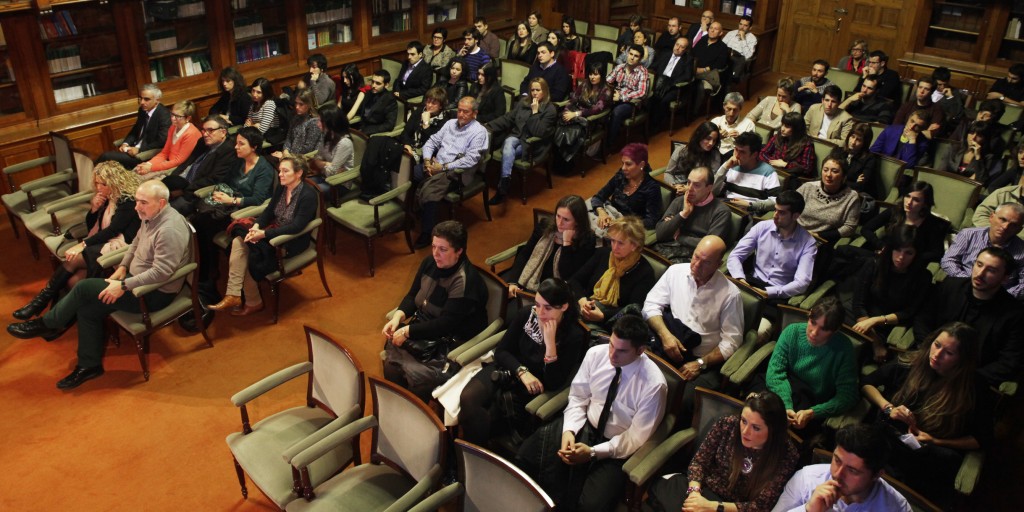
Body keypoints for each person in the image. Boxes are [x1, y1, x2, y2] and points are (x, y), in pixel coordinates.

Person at [7, 180, 190, 390]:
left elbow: (162, 272)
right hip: (133, 279)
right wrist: (122, 268)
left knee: (84, 287)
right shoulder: (151, 215)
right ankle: (90, 366)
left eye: (143, 202)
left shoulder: (169, 229)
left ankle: (47, 324)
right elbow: (136, 244)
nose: (136, 207)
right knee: (88, 310)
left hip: (154, 292)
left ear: (162, 202)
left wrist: (123, 286)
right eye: (137, 201)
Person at [516, 314, 667, 512]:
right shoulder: (596, 354)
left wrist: (594, 452)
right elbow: (579, 397)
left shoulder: (654, 384)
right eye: (612, 345)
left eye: (621, 351)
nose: (612, 355)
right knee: (528, 455)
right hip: (585, 425)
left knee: (590, 505)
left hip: (616, 447)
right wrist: (569, 431)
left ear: (640, 350)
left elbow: (635, 438)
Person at [862, 322, 994, 507]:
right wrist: (889, 408)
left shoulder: (975, 387)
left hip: (926, 456)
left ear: (962, 359)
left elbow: (980, 439)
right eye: (937, 345)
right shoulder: (912, 362)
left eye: (948, 353)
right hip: (889, 441)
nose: (937, 355)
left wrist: (935, 440)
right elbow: (867, 383)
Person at [458, 278, 588, 445]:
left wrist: (550, 347)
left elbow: (554, 382)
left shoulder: (573, 336)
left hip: (531, 388)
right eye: (538, 304)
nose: (540, 313)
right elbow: (502, 351)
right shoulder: (527, 314)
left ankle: (477, 455)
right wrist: (521, 371)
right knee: (468, 399)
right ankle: (470, 456)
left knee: (483, 419)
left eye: (547, 308)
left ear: (564, 306)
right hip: (511, 368)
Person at [13, 162, 142, 320]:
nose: (99, 187)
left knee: (74, 260)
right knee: (73, 281)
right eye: (96, 183)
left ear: (116, 182)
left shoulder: (128, 201)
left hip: (122, 247)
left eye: (103, 184)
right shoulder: (108, 197)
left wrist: (82, 244)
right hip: (105, 243)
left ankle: (40, 304)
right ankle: (54, 316)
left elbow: (112, 230)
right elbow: (92, 227)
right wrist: (94, 209)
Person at [381, 220, 489, 403]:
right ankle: (397, 407)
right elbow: (413, 295)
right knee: (391, 366)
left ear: (459, 251)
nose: (435, 254)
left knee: (419, 381)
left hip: (448, 342)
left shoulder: (464, 282)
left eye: (443, 249)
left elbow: (444, 324)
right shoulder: (429, 262)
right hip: (426, 329)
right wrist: (399, 316)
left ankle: (412, 415)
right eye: (433, 247)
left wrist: (407, 331)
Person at [645, 392, 799, 512]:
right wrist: (694, 494)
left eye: (756, 427)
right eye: (743, 421)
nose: (745, 431)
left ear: (773, 431)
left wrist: (712, 507)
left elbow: (760, 506)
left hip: (733, 508)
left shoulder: (786, 455)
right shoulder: (727, 424)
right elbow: (699, 463)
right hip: (703, 491)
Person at [643, 235, 743, 422]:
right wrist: (665, 336)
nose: (696, 265)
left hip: (698, 359)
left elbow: (732, 342)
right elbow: (650, 305)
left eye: (705, 263)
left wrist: (700, 364)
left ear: (718, 264)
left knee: (678, 403)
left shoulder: (730, 294)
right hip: (665, 342)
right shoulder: (675, 272)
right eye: (696, 257)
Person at [207, 156, 319, 316]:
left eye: (285, 171)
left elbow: (297, 227)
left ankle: (250, 300)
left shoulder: (308, 195)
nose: (280, 174)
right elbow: (268, 211)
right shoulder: (282, 187)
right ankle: (234, 294)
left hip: (290, 241)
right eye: (280, 170)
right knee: (240, 242)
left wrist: (264, 234)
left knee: (244, 250)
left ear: (299, 173)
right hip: (272, 230)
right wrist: (256, 227)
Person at [916, 247, 1024, 387]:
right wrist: (927, 352)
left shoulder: (1015, 313)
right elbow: (922, 320)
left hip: (969, 382)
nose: (980, 273)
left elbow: (1010, 361)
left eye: (991, 270)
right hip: (929, 362)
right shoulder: (950, 286)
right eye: (979, 265)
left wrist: (965, 379)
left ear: (1005, 278)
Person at [192, 127, 274, 288]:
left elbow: (258, 199)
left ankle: (208, 271)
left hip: (243, 212)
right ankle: (208, 267)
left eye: (241, 144)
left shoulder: (264, 169)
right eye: (236, 143)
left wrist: (232, 200)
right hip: (227, 205)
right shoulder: (238, 161)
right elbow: (226, 183)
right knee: (197, 221)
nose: (236, 147)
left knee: (203, 224)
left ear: (254, 147)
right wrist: (221, 195)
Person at [762, 296, 859, 431]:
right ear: (809, 314)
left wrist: (814, 412)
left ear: (835, 330)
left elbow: (847, 396)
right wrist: (786, 405)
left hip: (812, 401)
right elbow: (775, 373)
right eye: (813, 322)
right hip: (783, 388)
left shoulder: (843, 348)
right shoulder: (792, 331)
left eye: (823, 329)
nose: (814, 333)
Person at [771, 425, 911, 512]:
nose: (837, 474)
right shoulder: (807, 479)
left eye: (852, 470)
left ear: (876, 475)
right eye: (837, 460)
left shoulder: (896, 507)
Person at [414, 97, 489, 248]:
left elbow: (470, 159)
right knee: (412, 173)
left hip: (457, 172)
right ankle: (416, 213)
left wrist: (443, 167)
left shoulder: (479, 132)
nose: (461, 114)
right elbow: (432, 141)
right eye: (459, 110)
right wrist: (428, 161)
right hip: (436, 164)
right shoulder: (449, 124)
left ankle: (428, 231)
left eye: (465, 112)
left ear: (474, 113)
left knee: (431, 192)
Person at [850, 226, 932, 362]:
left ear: (916, 255)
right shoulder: (874, 264)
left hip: (889, 323)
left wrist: (876, 320)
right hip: (861, 316)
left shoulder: (923, 277)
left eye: (908, 253)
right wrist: (875, 341)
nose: (901, 257)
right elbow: (858, 305)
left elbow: (909, 312)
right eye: (897, 250)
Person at [570, 216, 656, 332]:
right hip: (585, 309)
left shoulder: (645, 272)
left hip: (613, 326)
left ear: (634, 245)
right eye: (612, 241)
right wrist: (582, 301)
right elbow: (575, 280)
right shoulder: (603, 254)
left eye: (620, 243)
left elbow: (633, 311)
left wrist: (603, 316)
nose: (614, 247)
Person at [359, 87, 449, 198]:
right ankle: (372, 186)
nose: (429, 105)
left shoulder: (445, 122)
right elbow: (406, 132)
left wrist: (426, 124)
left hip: (424, 154)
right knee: (377, 142)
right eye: (428, 101)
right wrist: (407, 145)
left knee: (393, 155)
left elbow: (432, 145)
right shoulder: (420, 111)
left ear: (441, 106)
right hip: (408, 146)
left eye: (434, 103)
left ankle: (388, 189)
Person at [727, 190, 817, 300]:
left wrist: (769, 293)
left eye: (782, 213)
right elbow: (735, 255)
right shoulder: (762, 227)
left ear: (795, 216)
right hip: (751, 282)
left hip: (778, 292)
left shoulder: (808, 243)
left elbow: (802, 282)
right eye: (775, 210)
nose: (775, 215)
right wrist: (740, 279)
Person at [504, 195, 596, 298]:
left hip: (556, 293)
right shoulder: (545, 225)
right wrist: (512, 282)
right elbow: (525, 254)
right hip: (528, 282)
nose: (559, 223)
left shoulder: (587, 239)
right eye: (558, 216)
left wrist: (566, 243)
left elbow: (568, 276)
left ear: (578, 221)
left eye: (566, 219)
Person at [486, 77, 557, 204]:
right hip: (517, 137)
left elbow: (538, 132)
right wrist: (487, 126)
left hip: (533, 144)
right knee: (509, 143)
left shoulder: (550, 109)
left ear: (544, 91)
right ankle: (505, 182)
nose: (535, 93)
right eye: (532, 90)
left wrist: (535, 112)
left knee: (508, 149)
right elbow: (508, 118)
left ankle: (502, 187)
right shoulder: (523, 102)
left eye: (538, 90)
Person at [941, 202, 1024, 298]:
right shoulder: (968, 235)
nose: (1005, 227)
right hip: (962, 287)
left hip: (999, 299)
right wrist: (970, 284)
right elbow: (948, 260)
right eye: (1002, 219)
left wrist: (1001, 295)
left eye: (1013, 225)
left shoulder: (1022, 251)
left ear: (1019, 229)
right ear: (992, 217)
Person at [163, 115, 240, 215]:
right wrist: (173, 176)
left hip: (193, 193)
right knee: (149, 196)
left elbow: (213, 180)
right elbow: (186, 163)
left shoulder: (228, 150)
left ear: (223, 132)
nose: (205, 134)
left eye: (210, 130)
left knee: (163, 210)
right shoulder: (202, 142)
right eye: (203, 130)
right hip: (178, 182)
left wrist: (183, 191)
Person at [653, 167, 731, 264]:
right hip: (667, 248)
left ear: (709, 188)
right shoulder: (680, 201)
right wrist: (683, 214)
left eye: (696, 185)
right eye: (688, 182)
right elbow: (660, 233)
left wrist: (679, 237)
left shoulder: (721, 212)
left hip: (695, 257)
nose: (689, 189)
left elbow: (710, 246)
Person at [861, 181, 949, 264]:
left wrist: (910, 257)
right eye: (907, 196)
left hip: (908, 264)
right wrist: (882, 246)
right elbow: (866, 229)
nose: (909, 202)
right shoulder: (895, 211)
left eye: (916, 200)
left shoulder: (932, 224)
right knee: (848, 252)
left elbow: (937, 254)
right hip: (884, 255)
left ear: (925, 204)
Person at [590, 143, 662, 232]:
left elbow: (652, 221)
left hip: (629, 229)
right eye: (622, 163)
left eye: (628, 164)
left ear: (641, 165)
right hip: (610, 218)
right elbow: (598, 197)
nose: (623, 168)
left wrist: (623, 223)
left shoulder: (652, 188)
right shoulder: (620, 176)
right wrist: (602, 212)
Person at [96, 83, 171, 168]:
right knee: (106, 165)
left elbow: (161, 141)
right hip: (132, 149)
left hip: (144, 155)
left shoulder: (164, 115)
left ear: (157, 100)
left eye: (146, 99)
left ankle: (89, 178)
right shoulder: (142, 110)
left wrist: (139, 150)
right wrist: (126, 143)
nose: (142, 102)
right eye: (140, 98)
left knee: (106, 156)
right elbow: (136, 130)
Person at [555, 64, 613, 168]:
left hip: (591, 120)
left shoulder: (606, 90)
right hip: (575, 115)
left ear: (602, 75)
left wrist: (576, 114)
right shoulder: (585, 84)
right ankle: (561, 160)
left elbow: (596, 109)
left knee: (572, 131)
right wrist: (567, 111)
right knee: (560, 126)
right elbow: (573, 99)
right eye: (590, 74)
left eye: (596, 74)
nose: (592, 77)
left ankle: (567, 163)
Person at [794, 155, 861, 242]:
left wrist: (818, 236)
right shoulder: (808, 187)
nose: (828, 175)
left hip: (819, 240)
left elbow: (850, 227)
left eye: (835, 171)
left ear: (843, 176)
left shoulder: (851, 197)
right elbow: (789, 206)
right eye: (825, 170)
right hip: (794, 231)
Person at [713, 131, 780, 215]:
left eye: (742, 152)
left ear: (754, 154)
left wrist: (751, 205)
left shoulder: (768, 172)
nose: (737, 155)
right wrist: (724, 168)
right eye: (736, 150)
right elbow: (712, 191)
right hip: (725, 207)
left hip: (748, 213)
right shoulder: (730, 165)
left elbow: (775, 202)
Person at [132, 100, 201, 180]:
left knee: (141, 180)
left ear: (188, 118)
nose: (172, 119)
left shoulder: (191, 133)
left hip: (179, 169)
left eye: (178, 116)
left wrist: (151, 168)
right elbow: (165, 153)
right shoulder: (172, 128)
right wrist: (148, 164)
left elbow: (178, 161)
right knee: (136, 171)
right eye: (172, 114)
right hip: (168, 163)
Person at [605, 44, 649, 149]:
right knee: (601, 106)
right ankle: (599, 140)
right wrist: (611, 91)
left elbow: (642, 92)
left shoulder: (642, 72)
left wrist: (621, 96)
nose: (632, 57)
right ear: (627, 53)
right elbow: (607, 81)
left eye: (636, 56)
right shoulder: (620, 67)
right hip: (616, 97)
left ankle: (609, 144)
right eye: (630, 54)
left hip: (632, 103)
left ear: (640, 58)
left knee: (617, 112)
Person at [648, 36, 695, 130]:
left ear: (685, 50)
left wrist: (671, 82)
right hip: (659, 81)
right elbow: (653, 66)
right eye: (677, 44)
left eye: (681, 47)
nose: (677, 48)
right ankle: (648, 121)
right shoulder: (665, 54)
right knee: (650, 96)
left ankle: (655, 125)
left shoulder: (688, 60)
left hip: (673, 86)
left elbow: (687, 76)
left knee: (664, 100)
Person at [939, 120, 1003, 187]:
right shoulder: (953, 149)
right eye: (971, 133)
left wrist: (978, 157)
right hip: (945, 184)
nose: (973, 137)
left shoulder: (988, 157)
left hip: (966, 190)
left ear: (985, 139)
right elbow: (941, 171)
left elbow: (980, 180)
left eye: (979, 135)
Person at [309, 104, 354, 193]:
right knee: (298, 185)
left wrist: (322, 164)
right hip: (324, 177)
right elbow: (317, 158)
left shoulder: (344, 142)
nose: (317, 124)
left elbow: (331, 173)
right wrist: (327, 164)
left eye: (320, 121)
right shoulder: (327, 135)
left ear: (331, 122)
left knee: (309, 191)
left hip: (339, 184)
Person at [975, 141, 1024, 220]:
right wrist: (1006, 206)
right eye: (1020, 152)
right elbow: (993, 186)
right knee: (977, 199)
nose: (1022, 157)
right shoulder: (1017, 170)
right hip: (1010, 211)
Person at [759, 111, 816, 180]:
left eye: (787, 126)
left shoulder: (807, 144)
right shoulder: (779, 136)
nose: (782, 129)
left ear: (796, 128)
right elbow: (763, 153)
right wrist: (774, 162)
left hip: (790, 178)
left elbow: (807, 168)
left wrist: (785, 165)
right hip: (772, 171)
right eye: (782, 125)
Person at [665, 121, 721, 188]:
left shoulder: (714, 155)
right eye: (708, 139)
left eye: (714, 140)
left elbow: (712, 180)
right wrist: (674, 186)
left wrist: (688, 188)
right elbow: (668, 173)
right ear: (699, 136)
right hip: (676, 186)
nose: (711, 143)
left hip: (697, 191)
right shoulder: (681, 150)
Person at [271, 89, 322, 161]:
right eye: (296, 103)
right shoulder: (296, 117)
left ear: (309, 105)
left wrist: (289, 157)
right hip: (292, 155)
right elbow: (289, 138)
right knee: (270, 159)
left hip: (306, 159)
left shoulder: (314, 122)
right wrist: (285, 151)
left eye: (301, 104)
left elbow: (308, 148)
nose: (297, 107)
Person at [841, 122, 882, 199]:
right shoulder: (839, 151)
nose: (853, 142)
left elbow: (860, 186)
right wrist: (853, 181)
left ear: (865, 143)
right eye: (852, 137)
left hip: (859, 196)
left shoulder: (870, 159)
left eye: (858, 140)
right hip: (840, 191)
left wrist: (840, 180)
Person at [691, 21, 729, 103]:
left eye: (715, 29)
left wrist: (703, 69)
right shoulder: (702, 40)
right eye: (711, 28)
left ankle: (694, 113)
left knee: (699, 87)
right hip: (693, 70)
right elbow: (692, 53)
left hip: (707, 74)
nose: (712, 30)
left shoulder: (723, 47)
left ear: (720, 33)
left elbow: (720, 64)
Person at [711, 92, 755, 160]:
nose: (731, 113)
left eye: (735, 110)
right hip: (714, 155)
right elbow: (705, 142)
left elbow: (751, 148)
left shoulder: (749, 124)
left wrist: (740, 139)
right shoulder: (715, 121)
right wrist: (718, 137)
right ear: (724, 106)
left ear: (740, 109)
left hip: (736, 158)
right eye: (729, 109)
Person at [353, 70, 397, 135]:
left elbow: (389, 125)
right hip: (361, 126)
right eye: (373, 82)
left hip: (373, 133)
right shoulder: (369, 93)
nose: (373, 85)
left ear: (386, 85)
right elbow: (361, 111)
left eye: (378, 83)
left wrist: (366, 131)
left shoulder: (389, 99)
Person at [244, 77, 285, 147]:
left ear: (265, 93)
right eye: (253, 90)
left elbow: (262, 130)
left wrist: (251, 126)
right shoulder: (254, 104)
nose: (254, 94)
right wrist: (254, 126)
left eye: (258, 92)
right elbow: (246, 125)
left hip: (270, 137)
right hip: (256, 136)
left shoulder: (269, 104)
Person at [722, 15, 757, 80]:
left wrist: (743, 39)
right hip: (725, 56)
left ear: (750, 28)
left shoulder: (752, 39)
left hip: (737, 60)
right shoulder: (731, 33)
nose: (742, 27)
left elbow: (748, 56)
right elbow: (721, 47)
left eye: (745, 25)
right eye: (740, 24)